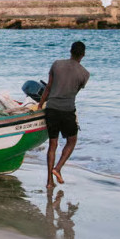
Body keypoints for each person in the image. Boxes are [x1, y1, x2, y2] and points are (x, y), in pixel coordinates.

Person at [38, 41, 89, 189]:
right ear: (83, 54)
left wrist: (40, 105)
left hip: (51, 109)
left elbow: (48, 88)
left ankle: (49, 181)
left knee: (52, 144)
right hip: (67, 110)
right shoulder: (85, 74)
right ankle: (58, 168)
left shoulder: (56, 64)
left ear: (70, 51)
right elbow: (74, 93)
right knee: (71, 141)